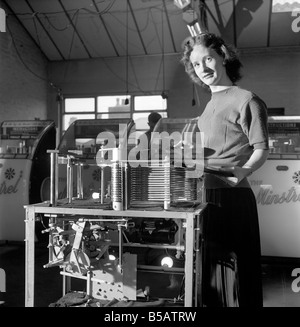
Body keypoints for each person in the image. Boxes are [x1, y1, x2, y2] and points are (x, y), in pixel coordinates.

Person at [181, 32, 269, 307]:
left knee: (238, 278)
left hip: (232, 199)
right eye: (196, 64)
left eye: (208, 59)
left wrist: (244, 171)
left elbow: (262, 149)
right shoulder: (209, 106)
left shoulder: (246, 100)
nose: (203, 68)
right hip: (205, 199)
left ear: (222, 55)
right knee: (212, 278)